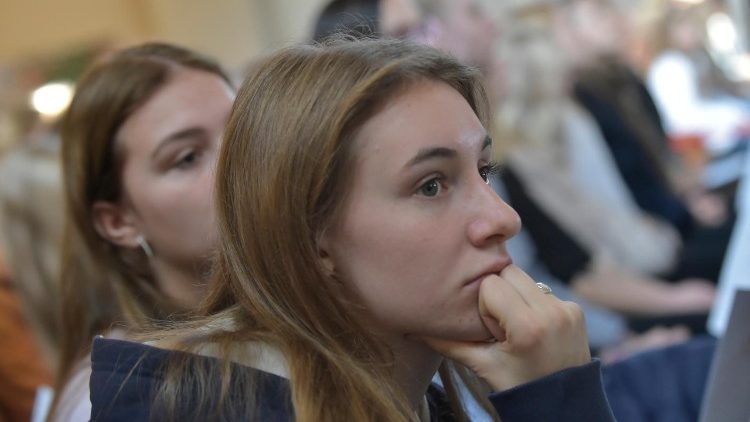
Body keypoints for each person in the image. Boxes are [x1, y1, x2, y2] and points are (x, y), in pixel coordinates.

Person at [90, 38, 614, 421]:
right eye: (431, 185)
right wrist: (561, 401)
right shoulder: (207, 410)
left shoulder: (408, 393)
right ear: (311, 237)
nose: (504, 218)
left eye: (483, 172)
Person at [48, 43, 234, 421]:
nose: (237, 161)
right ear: (120, 222)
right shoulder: (121, 398)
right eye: (187, 157)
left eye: (242, 130)